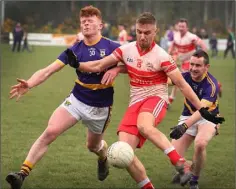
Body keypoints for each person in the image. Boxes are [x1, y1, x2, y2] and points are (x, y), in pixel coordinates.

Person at [65, 12, 224, 189]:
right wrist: (78, 64)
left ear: (155, 31)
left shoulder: (162, 56)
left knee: (144, 125)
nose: (142, 36)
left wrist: (200, 109)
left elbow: (182, 84)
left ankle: (180, 164)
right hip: (135, 102)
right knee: (125, 152)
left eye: (147, 32)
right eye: (139, 31)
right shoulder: (126, 49)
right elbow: (99, 64)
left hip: (156, 98)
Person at [6, 5, 123, 189]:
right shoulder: (74, 50)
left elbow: (133, 65)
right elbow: (48, 70)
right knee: (50, 132)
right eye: (83, 21)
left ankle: (102, 157)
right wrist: (29, 83)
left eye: (90, 21)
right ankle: (22, 174)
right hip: (76, 100)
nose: (85, 24)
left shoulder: (112, 46)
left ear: (100, 25)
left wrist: (116, 68)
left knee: (93, 146)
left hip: (101, 106)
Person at [169, 49, 221, 189]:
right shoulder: (184, 76)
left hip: (209, 117)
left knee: (200, 144)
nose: (193, 68)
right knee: (173, 154)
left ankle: (194, 181)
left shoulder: (211, 85)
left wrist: (184, 126)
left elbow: (202, 111)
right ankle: (188, 170)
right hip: (187, 115)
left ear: (206, 67)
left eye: (198, 65)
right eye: (191, 64)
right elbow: (166, 80)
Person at [168, 18, 207, 105]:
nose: (181, 28)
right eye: (180, 26)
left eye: (183, 26)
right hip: (181, 61)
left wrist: (204, 59)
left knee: (181, 80)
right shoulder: (176, 35)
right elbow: (173, 45)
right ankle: (171, 99)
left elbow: (203, 45)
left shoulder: (191, 37)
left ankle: (172, 99)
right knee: (179, 80)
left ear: (187, 28)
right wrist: (169, 54)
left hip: (190, 62)